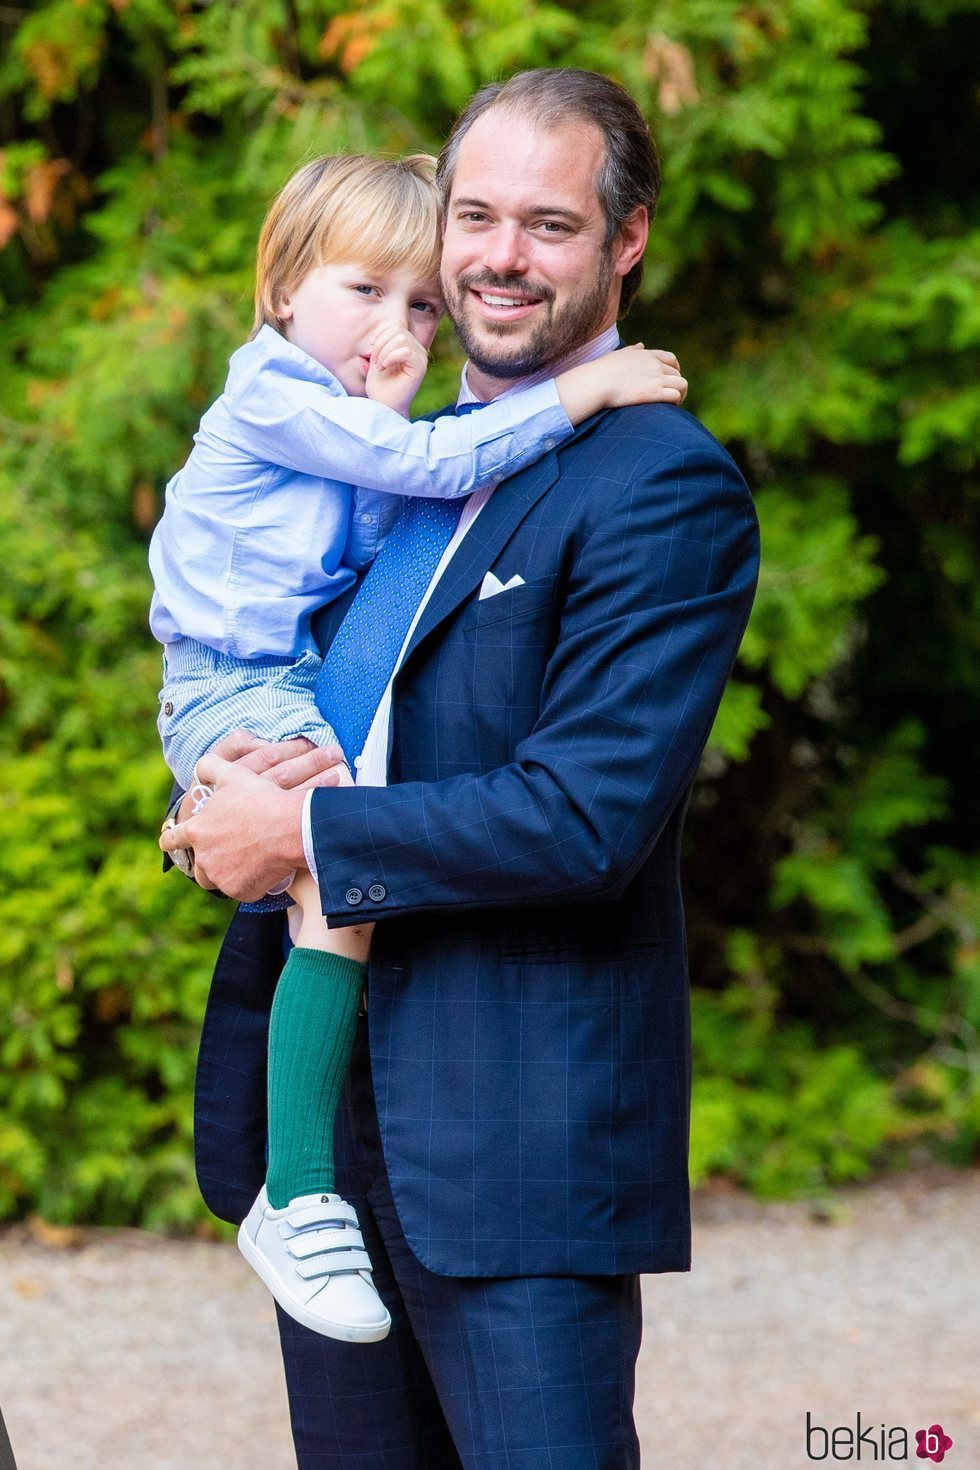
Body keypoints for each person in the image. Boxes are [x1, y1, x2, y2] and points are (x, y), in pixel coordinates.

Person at [161, 67, 760, 1469]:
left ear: (626, 243)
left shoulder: (655, 483)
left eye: (548, 225)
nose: (497, 255)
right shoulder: (388, 464)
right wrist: (222, 808)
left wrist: (306, 839)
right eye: (473, 215)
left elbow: (585, 814)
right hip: (329, 1156)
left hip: (512, 1155)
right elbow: (296, 693)